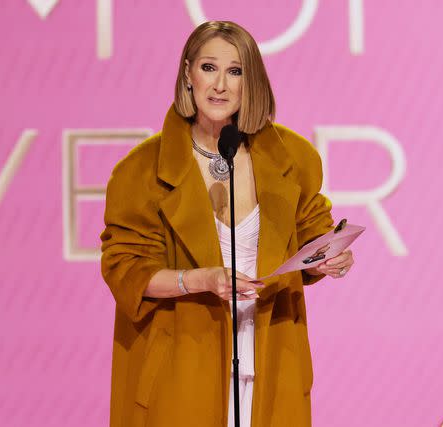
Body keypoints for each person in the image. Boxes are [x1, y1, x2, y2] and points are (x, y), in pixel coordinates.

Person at [100, 20, 354, 427]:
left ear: (250, 81)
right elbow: (126, 271)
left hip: (272, 364)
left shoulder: (294, 158)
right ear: (187, 74)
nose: (220, 85)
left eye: (235, 71)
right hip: (181, 372)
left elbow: (313, 231)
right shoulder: (140, 171)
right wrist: (202, 280)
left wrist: (330, 259)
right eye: (208, 68)